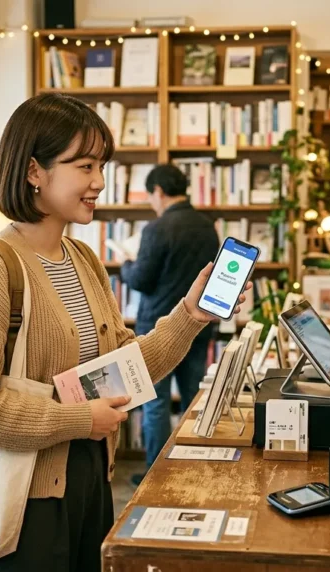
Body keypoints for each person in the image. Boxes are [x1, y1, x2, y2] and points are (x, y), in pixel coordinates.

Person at [0, 93, 249, 572]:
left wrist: (191, 314)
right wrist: (81, 420)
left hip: (88, 477)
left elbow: (126, 370)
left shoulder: (83, 261)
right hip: (21, 498)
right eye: (84, 166)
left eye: (101, 165)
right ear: (34, 171)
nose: (99, 182)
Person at [118, 164, 220, 483]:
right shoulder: (208, 227)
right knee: (194, 400)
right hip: (199, 326)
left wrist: (125, 267)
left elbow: (142, 280)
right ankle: (195, 467)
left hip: (159, 325)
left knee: (157, 404)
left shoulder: (156, 229)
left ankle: (155, 474)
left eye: (151, 196)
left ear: (159, 191)